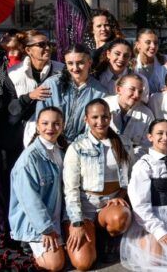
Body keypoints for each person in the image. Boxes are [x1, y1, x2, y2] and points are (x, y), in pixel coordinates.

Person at [63, 98, 132, 270]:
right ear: (86, 119)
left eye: (104, 117)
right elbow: (70, 189)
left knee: (119, 218)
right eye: (94, 117)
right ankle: (91, 237)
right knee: (83, 264)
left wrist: (121, 196)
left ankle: (106, 237)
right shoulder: (77, 147)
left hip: (110, 203)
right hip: (85, 206)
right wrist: (77, 222)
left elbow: (130, 177)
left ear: (110, 117)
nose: (100, 122)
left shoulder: (123, 142)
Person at [120, 119, 167, 270]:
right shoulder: (144, 165)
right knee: (155, 262)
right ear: (150, 137)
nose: (165, 137)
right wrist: (158, 230)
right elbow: (140, 205)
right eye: (160, 133)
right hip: (154, 217)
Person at [8, 107, 67, 272]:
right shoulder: (28, 160)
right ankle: (28, 246)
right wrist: (46, 229)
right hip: (37, 224)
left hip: (56, 215)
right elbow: (30, 201)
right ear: (37, 126)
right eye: (45, 123)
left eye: (56, 124)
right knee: (55, 265)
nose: (50, 128)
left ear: (62, 126)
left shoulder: (59, 151)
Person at [0, 31, 63, 172]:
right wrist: (29, 96)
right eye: (41, 45)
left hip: (53, 135)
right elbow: (9, 109)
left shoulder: (61, 70)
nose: (47, 48)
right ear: (28, 50)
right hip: (20, 140)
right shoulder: (14, 74)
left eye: (49, 44)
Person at [30, 44, 107, 144]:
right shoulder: (52, 85)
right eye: (70, 63)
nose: (75, 68)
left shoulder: (100, 92)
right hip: (50, 141)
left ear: (89, 62)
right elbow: (41, 119)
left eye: (80, 63)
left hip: (81, 146)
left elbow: (95, 126)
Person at [105, 74, 155, 161]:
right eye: (132, 89)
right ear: (118, 89)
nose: (136, 95)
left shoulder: (147, 114)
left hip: (132, 163)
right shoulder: (103, 106)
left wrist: (128, 159)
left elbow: (147, 147)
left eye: (140, 92)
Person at [94, 38, 150, 103]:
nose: (121, 59)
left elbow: (143, 105)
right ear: (108, 54)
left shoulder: (141, 80)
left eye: (126, 56)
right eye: (117, 54)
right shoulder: (98, 78)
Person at [133, 28, 167, 94]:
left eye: (155, 43)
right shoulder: (131, 65)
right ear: (138, 45)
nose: (153, 46)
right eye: (148, 42)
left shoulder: (166, 60)